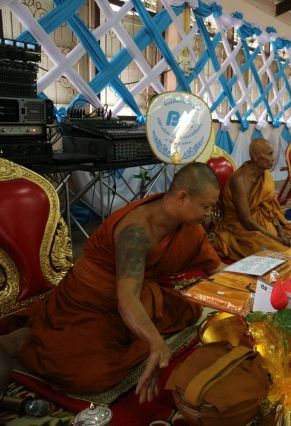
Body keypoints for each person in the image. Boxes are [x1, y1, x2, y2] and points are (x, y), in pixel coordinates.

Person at [14, 163, 224, 401]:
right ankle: (26, 340)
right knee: (90, 376)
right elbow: (127, 298)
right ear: (183, 197)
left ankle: (130, 334)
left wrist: (255, 272)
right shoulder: (136, 231)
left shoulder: (187, 226)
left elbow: (216, 267)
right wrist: (155, 342)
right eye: (206, 207)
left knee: (189, 309)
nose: (208, 215)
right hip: (91, 302)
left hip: (135, 293)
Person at [214, 138, 291, 260]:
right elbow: (246, 221)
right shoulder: (239, 181)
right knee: (280, 252)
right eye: (270, 154)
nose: (274, 158)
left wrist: (281, 231)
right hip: (242, 228)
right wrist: (277, 239)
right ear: (256, 156)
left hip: (264, 220)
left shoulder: (265, 174)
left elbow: (270, 208)